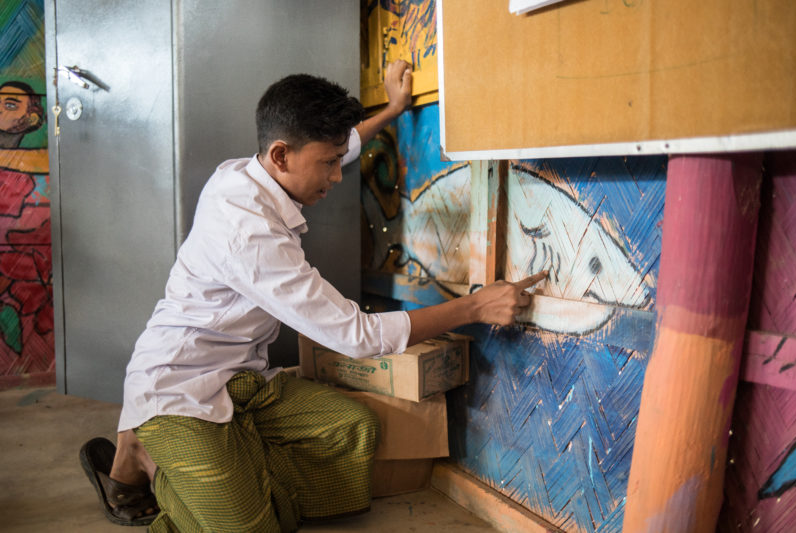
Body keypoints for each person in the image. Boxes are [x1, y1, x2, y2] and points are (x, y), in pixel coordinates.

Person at [80, 60, 546, 532]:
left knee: (353, 431)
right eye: (328, 164)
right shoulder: (247, 229)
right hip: (180, 387)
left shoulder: (253, 171)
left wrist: (395, 108)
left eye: (336, 159)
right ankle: (149, 462)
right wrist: (476, 305)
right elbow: (358, 336)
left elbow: (338, 145)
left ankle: (235, 473)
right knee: (247, 528)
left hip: (243, 380)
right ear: (281, 156)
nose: (338, 175)